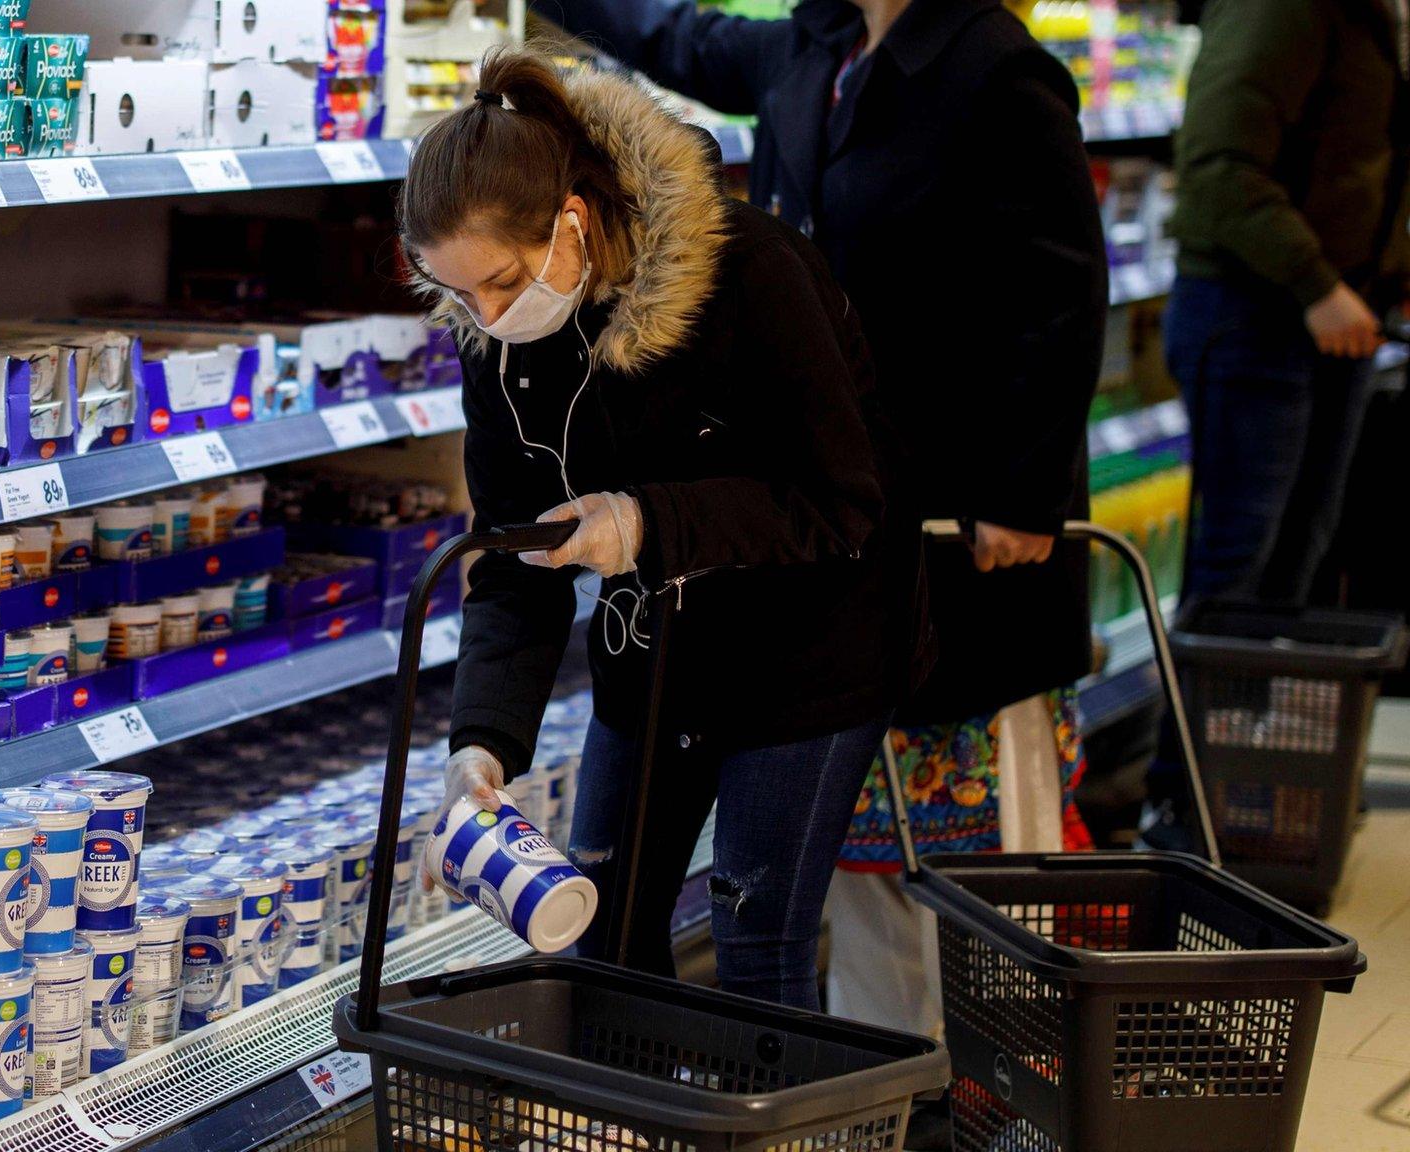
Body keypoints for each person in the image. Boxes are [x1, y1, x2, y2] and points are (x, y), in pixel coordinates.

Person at [525, 0, 1109, 1037]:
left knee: (975, 853)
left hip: (965, 525)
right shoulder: (814, 48)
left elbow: (1058, 298)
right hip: (828, 531)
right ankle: (893, 1084)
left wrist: (1021, 494)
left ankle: (1001, 1086)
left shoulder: (996, 70)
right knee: (864, 856)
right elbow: (675, 36)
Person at [405, 45, 931, 1009]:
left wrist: (647, 521)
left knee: (755, 947)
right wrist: (479, 747)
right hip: (654, 658)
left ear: (572, 218)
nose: (482, 315)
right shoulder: (499, 340)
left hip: (811, 655)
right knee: (600, 933)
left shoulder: (754, 273)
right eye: (456, 293)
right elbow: (516, 563)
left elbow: (841, 498)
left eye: (501, 280)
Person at [1139, 0, 1408, 848]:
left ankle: (1240, 793)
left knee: (1295, 561)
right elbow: (1219, 164)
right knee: (1236, 571)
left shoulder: (1371, 16)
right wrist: (1317, 284)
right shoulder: (1284, 7)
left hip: (1331, 314)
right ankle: (1177, 811)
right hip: (1256, 311)